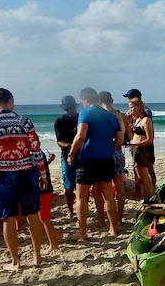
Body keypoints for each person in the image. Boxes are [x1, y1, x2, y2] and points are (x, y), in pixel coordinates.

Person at [0, 88, 46, 270]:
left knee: (8, 218)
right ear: (11, 101)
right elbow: (36, 149)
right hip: (26, 171)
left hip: (2, 173)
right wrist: (43, 173)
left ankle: (16, 261)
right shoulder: (24, 121)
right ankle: (37, 256)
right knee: (32, 214)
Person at [67, 87, 123, 240]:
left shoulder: (86, 113)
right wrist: (109, 148)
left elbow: (80, 136)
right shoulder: (111, 116)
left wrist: (71, 154)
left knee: (81, 196)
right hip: (106, 158)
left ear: (85, 99)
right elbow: (120, 139)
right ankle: (113, 228)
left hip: (88, 159)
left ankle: (83, 231)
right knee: (108, 194)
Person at [99, 91, 130, 222]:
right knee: (119, 186)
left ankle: (102, 218)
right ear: (112, 101)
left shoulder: (99, 117)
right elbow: (129, 136)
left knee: (101, 188)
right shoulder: (121, 116)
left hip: (102, 154)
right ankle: (119, 216)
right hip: (118, 152)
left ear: (99, 103)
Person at [123, 88, 156, 193]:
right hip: (136, 144)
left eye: (129, 97)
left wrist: (140, 143)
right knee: (137, 168)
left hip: (144, 145)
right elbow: (132, 128)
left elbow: (147, 130)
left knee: (148, 168)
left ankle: (151, 189)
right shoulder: (133, 112)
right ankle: (138, 190)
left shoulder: (145, 112)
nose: (128, 100)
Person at [54, 95, 79, 218]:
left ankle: (79, 208)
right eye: (68, 108)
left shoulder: (81, 118)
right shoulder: (60, 121)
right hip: (67, 156)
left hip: (82, 156)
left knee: (82, 186)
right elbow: (59, 141)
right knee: (69, 187)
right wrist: (70, 146)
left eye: (71, 107)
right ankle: (70, 211)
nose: (70, 110)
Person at [38, 150, 59, 253]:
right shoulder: (39, 153)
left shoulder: (35, 154)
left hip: (43, 190)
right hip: (44, 189)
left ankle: (53, 244)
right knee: (42, 217)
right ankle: (53, 238)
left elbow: (39, 172)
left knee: (44, 217)